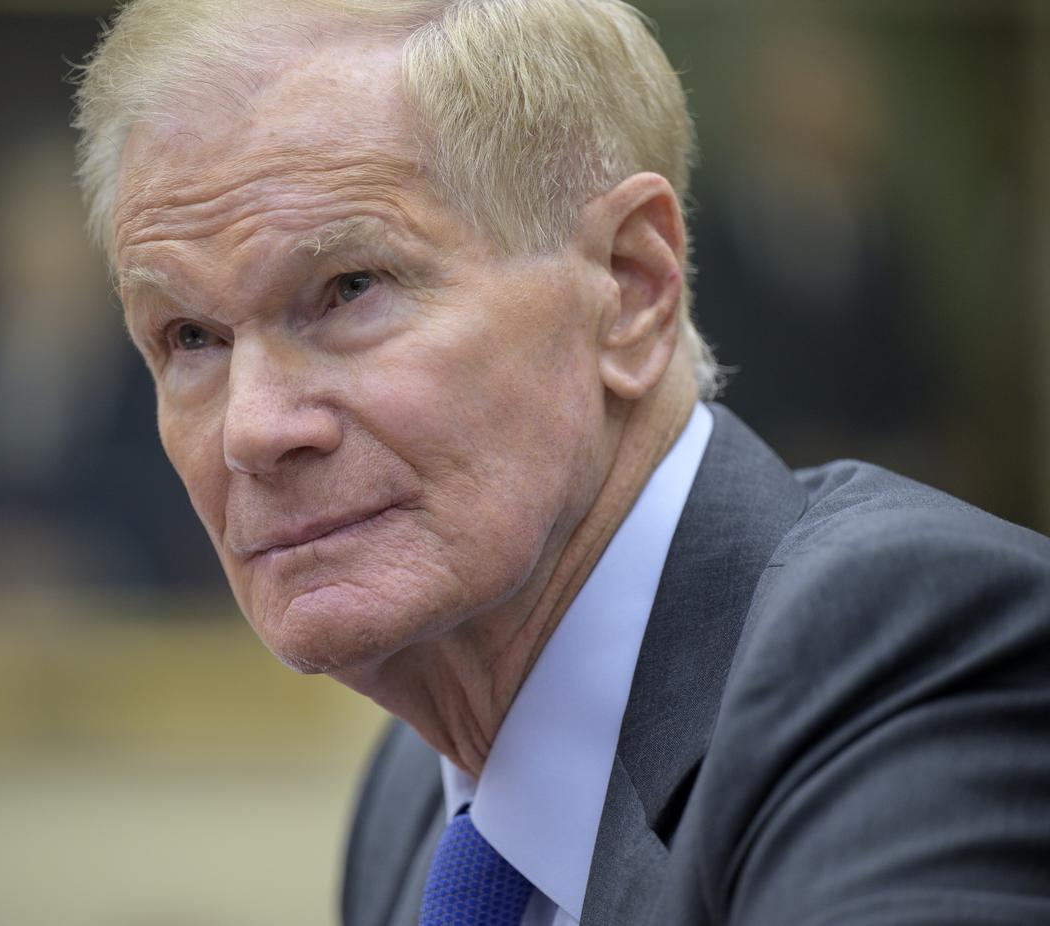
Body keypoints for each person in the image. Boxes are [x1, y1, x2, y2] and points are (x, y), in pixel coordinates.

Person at [72, 1, 1050, 923]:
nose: (251, 428)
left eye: (348, 287)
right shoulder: (410, 795)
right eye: (189, 336)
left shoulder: (898, 656)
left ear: (628, 290)